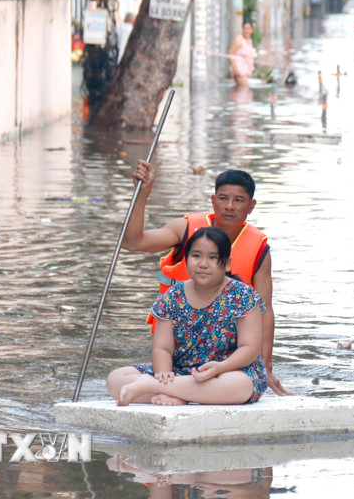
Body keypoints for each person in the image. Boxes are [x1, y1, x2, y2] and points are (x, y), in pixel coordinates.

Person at [123, 161, 289, 396]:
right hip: (179, 345)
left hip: (226, 358)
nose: (229, 206)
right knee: (117, 379)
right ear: (213, 201)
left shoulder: (259, 248)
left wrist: (267, 367)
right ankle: (175, 388)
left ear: (251, 206)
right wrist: (142, 192)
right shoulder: (186, 228)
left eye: (238, 200)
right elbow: (133, 242)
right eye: (223, 198)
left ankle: (169, 391)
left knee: (239, 384)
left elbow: (266, 310)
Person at [107, 226, 267, 406]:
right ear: (186, 259)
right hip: (180, 372)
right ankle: (180, 391)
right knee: (115, 379)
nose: (203, 264)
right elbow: (163, 348)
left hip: (228, 371)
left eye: (213, 257)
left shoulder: (243, 296)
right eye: (196, 256)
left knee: (239, 386)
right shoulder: (172, 296)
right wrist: (164, 374)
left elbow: (249, 348)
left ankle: (159, 388)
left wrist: (220, 368)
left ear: (227, 263)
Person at [227, 20, 257, 88]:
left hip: (246, 71)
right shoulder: (239, 40)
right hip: (239, 71)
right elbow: (230, 53)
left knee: (242, 89)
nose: (246, 31)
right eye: (245, 28)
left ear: (252, 30)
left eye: (248, 29)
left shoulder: (249, 41)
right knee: (244, 88)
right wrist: (236, 69)